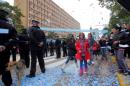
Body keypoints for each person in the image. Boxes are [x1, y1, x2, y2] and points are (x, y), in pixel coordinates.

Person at [0, 9, 17, 86]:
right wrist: (4, 46)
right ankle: (7, 82)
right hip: (5, 51)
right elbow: (14, 39)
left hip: (4, 50)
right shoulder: (10, 26)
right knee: (5, 66)